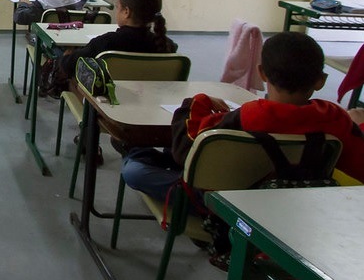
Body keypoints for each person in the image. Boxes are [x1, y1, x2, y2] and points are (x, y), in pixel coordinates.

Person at [120, 31, 364, 201]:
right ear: (321, 81)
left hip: (227, 203)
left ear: (263, 74)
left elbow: (188, 148)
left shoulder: (248, 116)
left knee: (135, 168)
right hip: (299, 207)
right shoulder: (335, 119)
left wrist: (197, 103)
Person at [58, 0, 176, 79]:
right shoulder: (166, 45)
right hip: (150, 103)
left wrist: (66, 57)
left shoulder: (106, 43)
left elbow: (69, 66)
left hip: (107, 104)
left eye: (118, 7)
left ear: (126, 12)